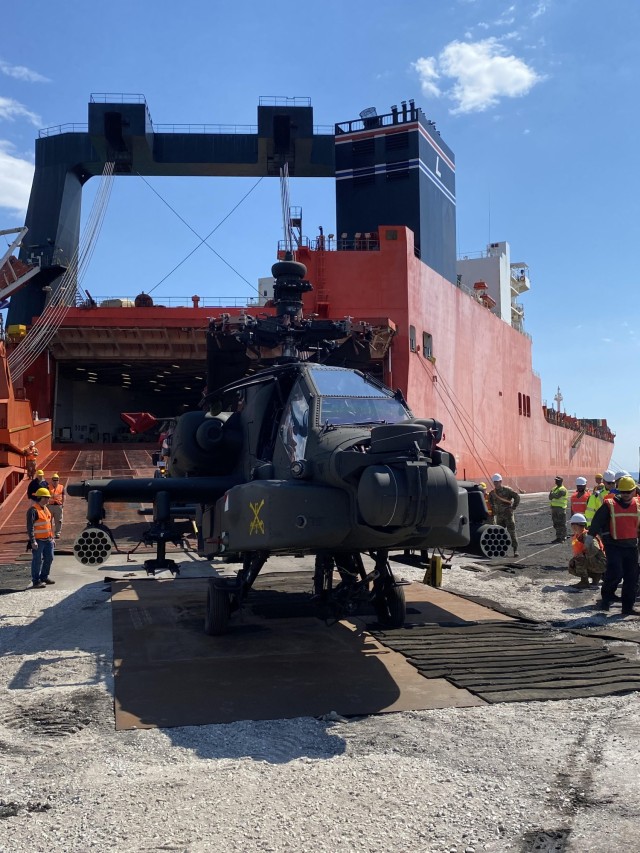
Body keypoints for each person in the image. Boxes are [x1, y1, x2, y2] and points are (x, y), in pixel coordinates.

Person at [587, 476, 640, 615]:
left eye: (629, 492)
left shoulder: (638, 504)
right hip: (613, 545)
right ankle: (607, 597)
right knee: (615, 572)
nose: (626, 495)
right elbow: (597, 520)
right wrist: (590, 536)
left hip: (631, 546)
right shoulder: (609, 504)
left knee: (631, 577)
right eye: (623, 492)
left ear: (634, 490)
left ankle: (627, 607)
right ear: (618, 491)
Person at [27, 486, 55, 589]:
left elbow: (49, 524)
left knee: (50, 558)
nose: (48, 499)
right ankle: (36, 581)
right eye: (46, 497)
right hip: (38, 541)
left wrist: (52, 538)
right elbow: (30, 527)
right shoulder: (33, 510)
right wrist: (33, 541)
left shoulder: (46, 509)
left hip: (48, 540)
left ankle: (44, 577)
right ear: (41, 498)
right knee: (37, 560)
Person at [567, 512, 605, 589]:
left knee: (579, 560)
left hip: (600, 563)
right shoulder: (579, 535)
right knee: (573, 564)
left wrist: (582, 555)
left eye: (573, 525)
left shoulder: (587, 535)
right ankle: (596, 576)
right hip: (597, 562)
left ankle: (585, 581)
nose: (572, 527)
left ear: (576, 525)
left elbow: (595, 549)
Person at [487, 473, 520, 557]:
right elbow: (490, 502)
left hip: (508, 515)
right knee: (499, 534)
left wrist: (513, 508)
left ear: (501, 481)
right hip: (499, 516)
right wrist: (493, 511)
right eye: (494, 482)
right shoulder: (492, 493)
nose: (495, 484)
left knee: (511, 532)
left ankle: (515, 550)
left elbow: (517, 497)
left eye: (497, 482)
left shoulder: (507, 490)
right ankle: (501, 550)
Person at [549, 476, 568, 543]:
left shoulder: (563, 489)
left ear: (561, 481)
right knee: (556, 523)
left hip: (561, 509)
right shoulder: (554, 488)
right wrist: (553, 494)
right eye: (556, 480)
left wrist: (552, 494)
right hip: (554, 508)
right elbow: (550, 497)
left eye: (558, 480)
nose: (556, 481)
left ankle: (563, 537)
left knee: (562, 523)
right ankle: (558, 537)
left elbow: (557, 496)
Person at [48, 473, 65, 538]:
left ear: (58, 480)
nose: (55, 482)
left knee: (58, 520)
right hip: (50, 506)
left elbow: (64, 496)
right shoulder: (48, 487)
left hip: (58, 506)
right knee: (49, 521)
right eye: (54, 480)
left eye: (56, 480)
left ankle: (58, 533)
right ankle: (49, 533)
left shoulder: (61, 487)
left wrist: (63, 504)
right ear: (52, 480)